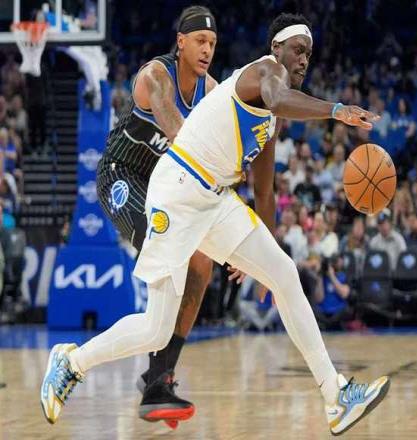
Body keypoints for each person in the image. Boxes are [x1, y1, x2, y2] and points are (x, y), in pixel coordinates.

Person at [41, 13, 390, 435]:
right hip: (178, 190)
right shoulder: (264, 73)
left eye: (309, 54)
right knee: (155, 329)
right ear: (276, 48)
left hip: (214, 198)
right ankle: (72, 362)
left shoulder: (269, 120)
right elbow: (279, 97)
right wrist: (336, 110)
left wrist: (257, 257)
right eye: (298, 50)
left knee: (283, 272)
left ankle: (336, 397)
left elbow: (264, 192)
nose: (303, 59)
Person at [51, 6, 219, 428]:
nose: (207, 50)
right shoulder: (155, 77)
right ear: (180, 42)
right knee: (173, 259)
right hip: (121, 176)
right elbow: (181, 135)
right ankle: (79, 363)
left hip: (165, 188)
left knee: (203, 263)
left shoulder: (211, 91)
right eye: (200, 41)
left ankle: (159, 377)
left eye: (213, 43)